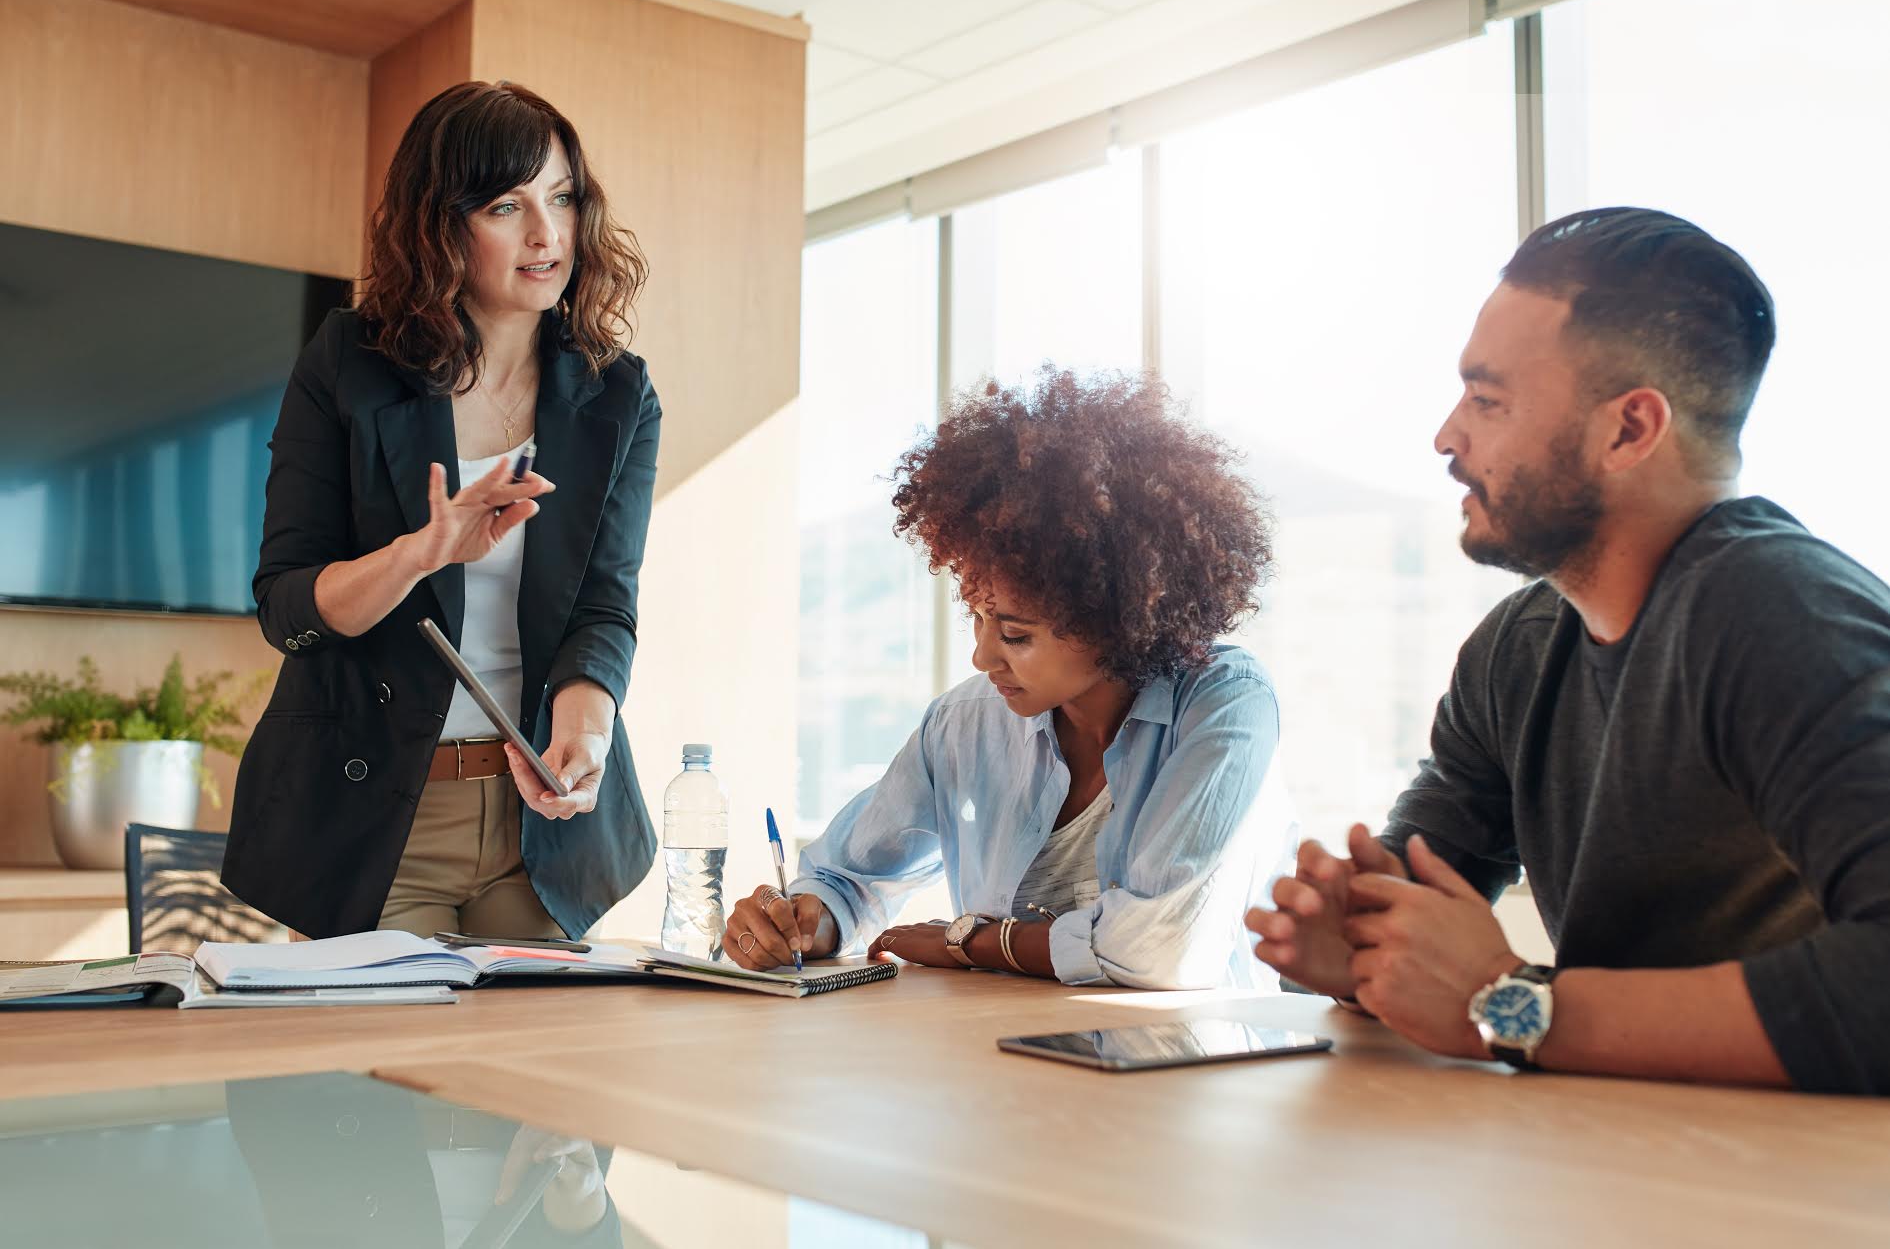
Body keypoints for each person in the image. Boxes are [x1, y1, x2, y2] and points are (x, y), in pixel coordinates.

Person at [1248, 207, 1890, 1094]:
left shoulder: (1782, 615)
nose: (1446, 436)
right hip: (1622, 1171)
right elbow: (1414, 913)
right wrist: (1355, 945)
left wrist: (1511, 1005)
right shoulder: (1516, 649)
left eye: (1488, 401)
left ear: (1628, 431)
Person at [222, 81, 662, 942]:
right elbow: (286, 607)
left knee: (531, 1075)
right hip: (378, 817)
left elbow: (605, 603)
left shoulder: (617, 395)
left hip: (541, 829)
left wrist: (587, 719)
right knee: (371, 1076)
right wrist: (419, 554)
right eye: (506, 205)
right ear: (441, 223)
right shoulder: (349, 362)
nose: (547, 235)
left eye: (562, 197)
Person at [726, 367, 1293, 990]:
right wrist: (806, 920)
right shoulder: (963, 725)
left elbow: (1161, 948)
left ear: (1115, 618)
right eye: (976, 617)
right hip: (1002, 1063)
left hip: (1194, 1065)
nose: (982, 657)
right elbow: (847, 876)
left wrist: (971, 941)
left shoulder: (1226, 705)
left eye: (1015, 635)